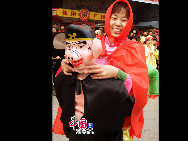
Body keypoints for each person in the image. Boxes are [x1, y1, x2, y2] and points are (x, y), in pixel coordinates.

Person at [55, 0, 148, 140]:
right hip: (88, 117)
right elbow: (73, 72)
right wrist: (66, 64)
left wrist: (118, 74)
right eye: (114, 18)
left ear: (129, 23)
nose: (118, 23)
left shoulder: (135, 49)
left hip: (118, 122)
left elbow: (141, 89)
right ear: (108, 18)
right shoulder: (92, 42)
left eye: (124, 20)